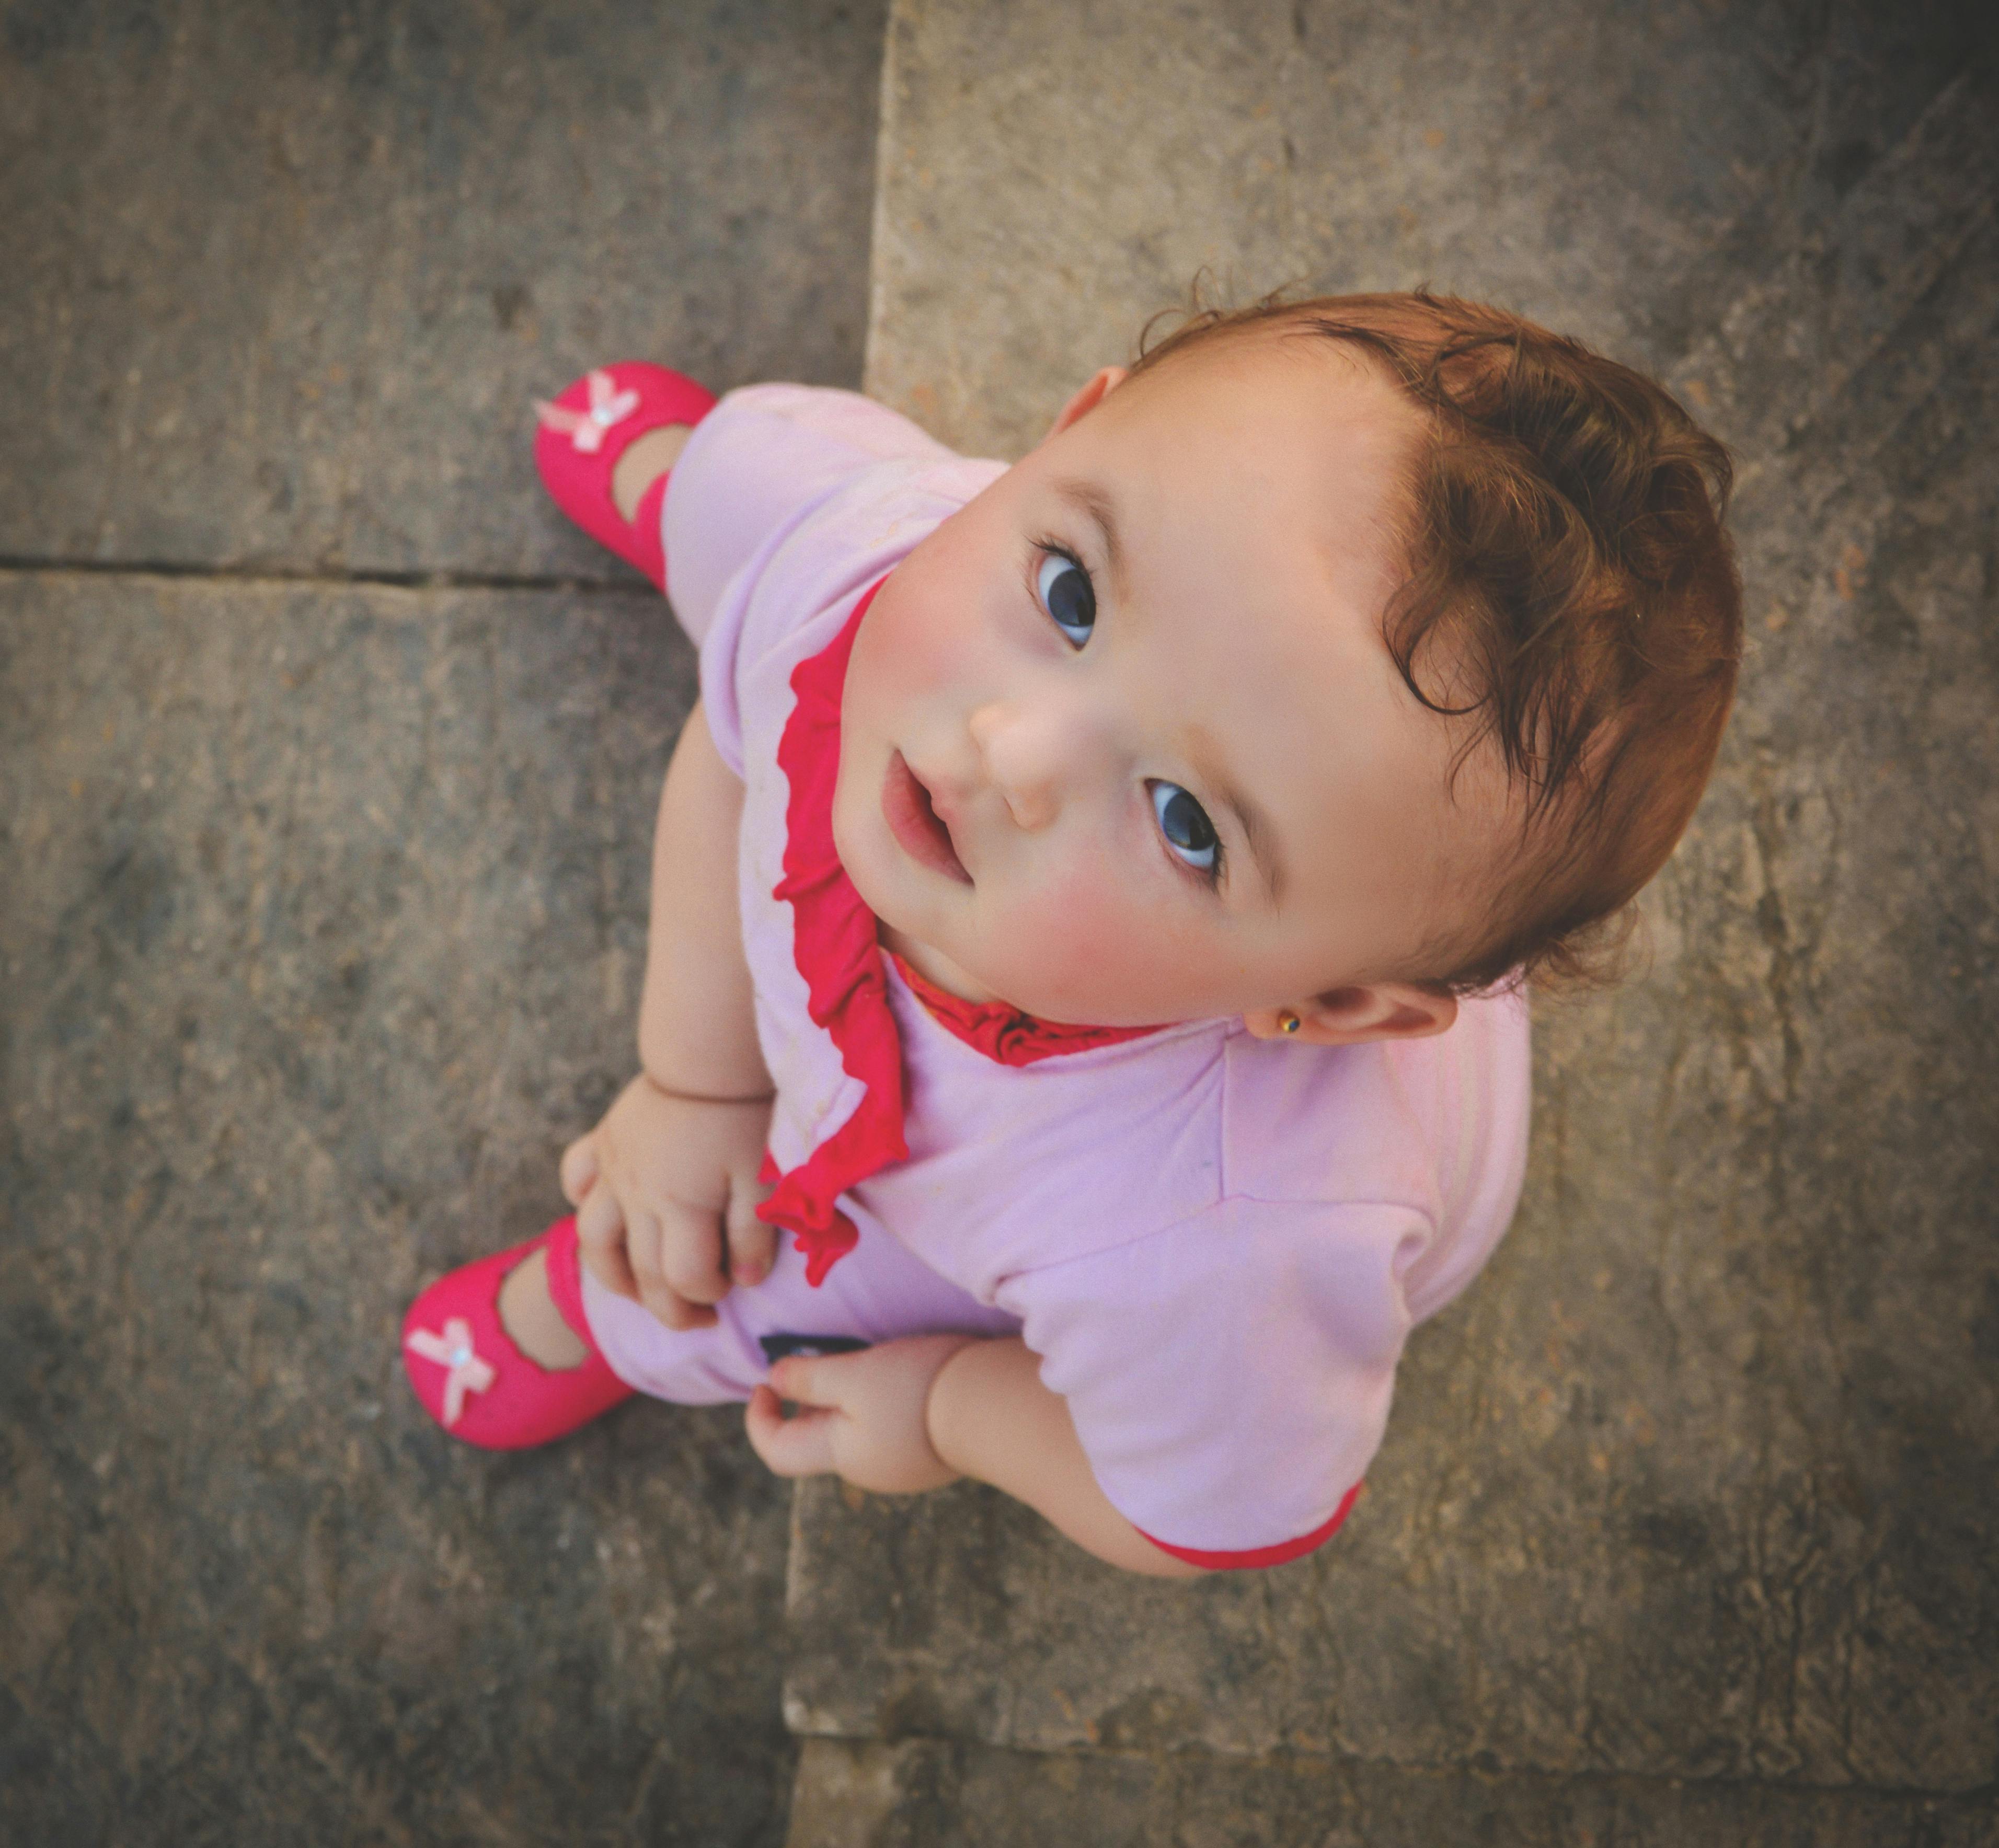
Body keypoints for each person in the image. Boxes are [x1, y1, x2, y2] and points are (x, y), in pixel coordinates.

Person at [400, 292, 1741, 1575]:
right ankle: (701, 504)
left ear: (1326, 1000)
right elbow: (738, 744)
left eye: (1186, 822)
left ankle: (623, 1301)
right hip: (940, 587)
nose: (1010, 745)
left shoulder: (1206, 1247)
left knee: (731, 1267)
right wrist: (695, 1084)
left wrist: (945, 1410)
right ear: (1070, 430)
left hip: (1022, 1184)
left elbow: (1203, 1517)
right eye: (1074, 595)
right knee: (784, 507)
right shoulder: (883, 584)